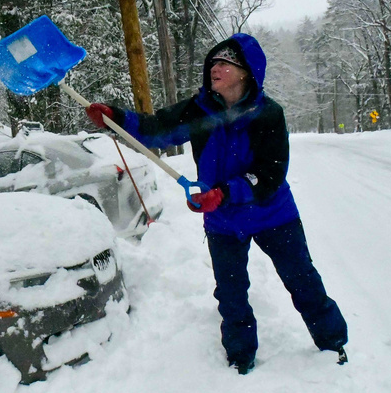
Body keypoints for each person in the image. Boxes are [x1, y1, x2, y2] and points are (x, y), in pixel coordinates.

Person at [85, 33, 347, 374]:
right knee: (231, 293)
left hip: (273, 215)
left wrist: (224, 192)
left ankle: (332, 344)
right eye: (213, 63)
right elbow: (155, 128)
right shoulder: (199, 110)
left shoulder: (268, 114)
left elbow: (270, 173)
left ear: (246, 72)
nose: (215, 69)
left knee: (303, 281)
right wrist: (115, 117)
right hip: (223, 221)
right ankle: (240, 356)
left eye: (225, 63)